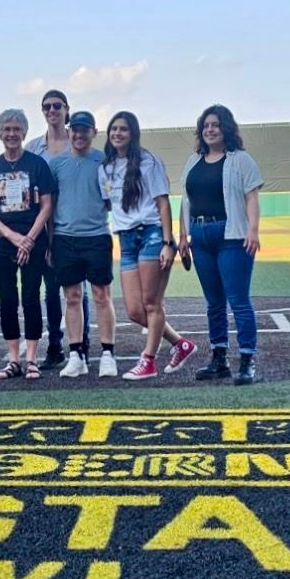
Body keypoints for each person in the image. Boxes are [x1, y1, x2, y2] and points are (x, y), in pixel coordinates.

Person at [99, 111, 198, 381]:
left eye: (123, 129)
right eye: (113, 129)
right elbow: (109, 203)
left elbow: (163, 202)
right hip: (126, 239)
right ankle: (181, 344)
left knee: (152, 303)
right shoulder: (104, 168)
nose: (117, 133)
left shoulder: (148, 161)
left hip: (152, 235)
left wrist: (168, 243)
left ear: (133, 133)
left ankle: (149, 360)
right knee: (134, 310)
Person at [177, 104, 264, 385]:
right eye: (205, 126)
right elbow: (185, 201)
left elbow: (251, 197)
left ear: (226, 128)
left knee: (238, 300)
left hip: (232, 235)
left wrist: (253, 230)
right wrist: (182, 236)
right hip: (200, 236)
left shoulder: (241, 159)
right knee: (214, 303)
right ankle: (219, 359)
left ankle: (248, 360)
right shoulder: (193, 161)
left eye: (215, 124)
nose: (210, 129)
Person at [0, 108, 54, 381]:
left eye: (16, 129)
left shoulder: (37, 165)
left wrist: (29, 239)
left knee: (32, 297)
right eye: (7, 129)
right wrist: (12, 237)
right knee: (8, 300)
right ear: (0, 133)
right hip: (3, 242)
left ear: (24, 132)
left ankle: (32, 358)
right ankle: (13, 359)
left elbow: (47, 205)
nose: (12, 134)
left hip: (33, 240)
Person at [49, 111, 118, 378]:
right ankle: (76, 355)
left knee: (102, 296)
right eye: (74, 130)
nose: (79, 135)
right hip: (66, 239)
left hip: (97, 236)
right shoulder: (57, 165)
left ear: (94, 132)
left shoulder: (105, 161)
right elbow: (51, 205)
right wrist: (51, 242)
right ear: (69, 132)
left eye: (84, 130)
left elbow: (113, 199)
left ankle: (108, 354)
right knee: (73, 297)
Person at [26, 88, 89, 368]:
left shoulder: (76, 144)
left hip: (72, 225)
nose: (52, 111)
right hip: (43, 226)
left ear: (66, 109)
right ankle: (55, 346)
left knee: (77, 290)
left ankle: (82, 344)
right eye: (47, 107)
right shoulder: (33, 147)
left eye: (57, 106)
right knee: (50, 291)